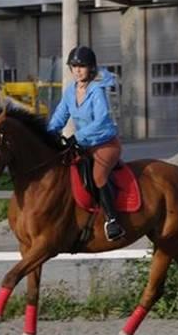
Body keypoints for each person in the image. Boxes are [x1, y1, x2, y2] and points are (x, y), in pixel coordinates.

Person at [47, 45, 126, 241]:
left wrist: (78, 136)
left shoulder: (97, 90)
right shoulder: (70, 91)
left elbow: (101, 121)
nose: (77, 70)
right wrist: (47, 135)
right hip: (83, 144)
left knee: (98, 176)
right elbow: (59, 116)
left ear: (91, 68)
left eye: (81, 66)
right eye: (74, 67)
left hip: (105, 143)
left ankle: (113, 220)